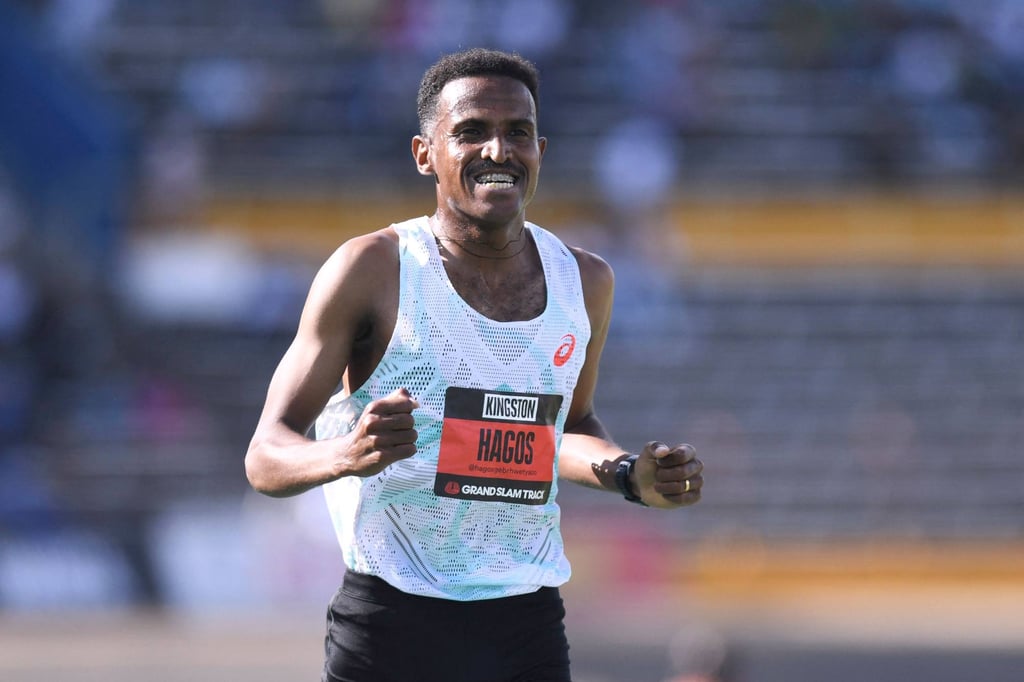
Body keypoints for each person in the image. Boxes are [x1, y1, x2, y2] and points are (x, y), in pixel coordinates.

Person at [245, 47, 704, 682]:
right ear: (424, 153)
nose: (497, 150)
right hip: (392, 625)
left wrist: (628, 474)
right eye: (470, 132)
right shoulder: (372, 270)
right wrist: (344, 455)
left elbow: (563, 430)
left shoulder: (585, 281)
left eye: (517, 132)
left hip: (526, 626)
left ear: (540, 148)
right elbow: (265, 455)